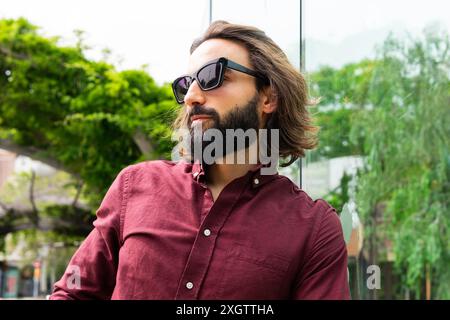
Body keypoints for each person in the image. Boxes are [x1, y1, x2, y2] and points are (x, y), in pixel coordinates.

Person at [50, 21, 350, 300]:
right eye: (187, 84)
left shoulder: (314, 229)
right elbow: (74, 294)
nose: (192, 96)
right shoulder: (135, 186)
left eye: (213, 76)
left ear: (268, 98)